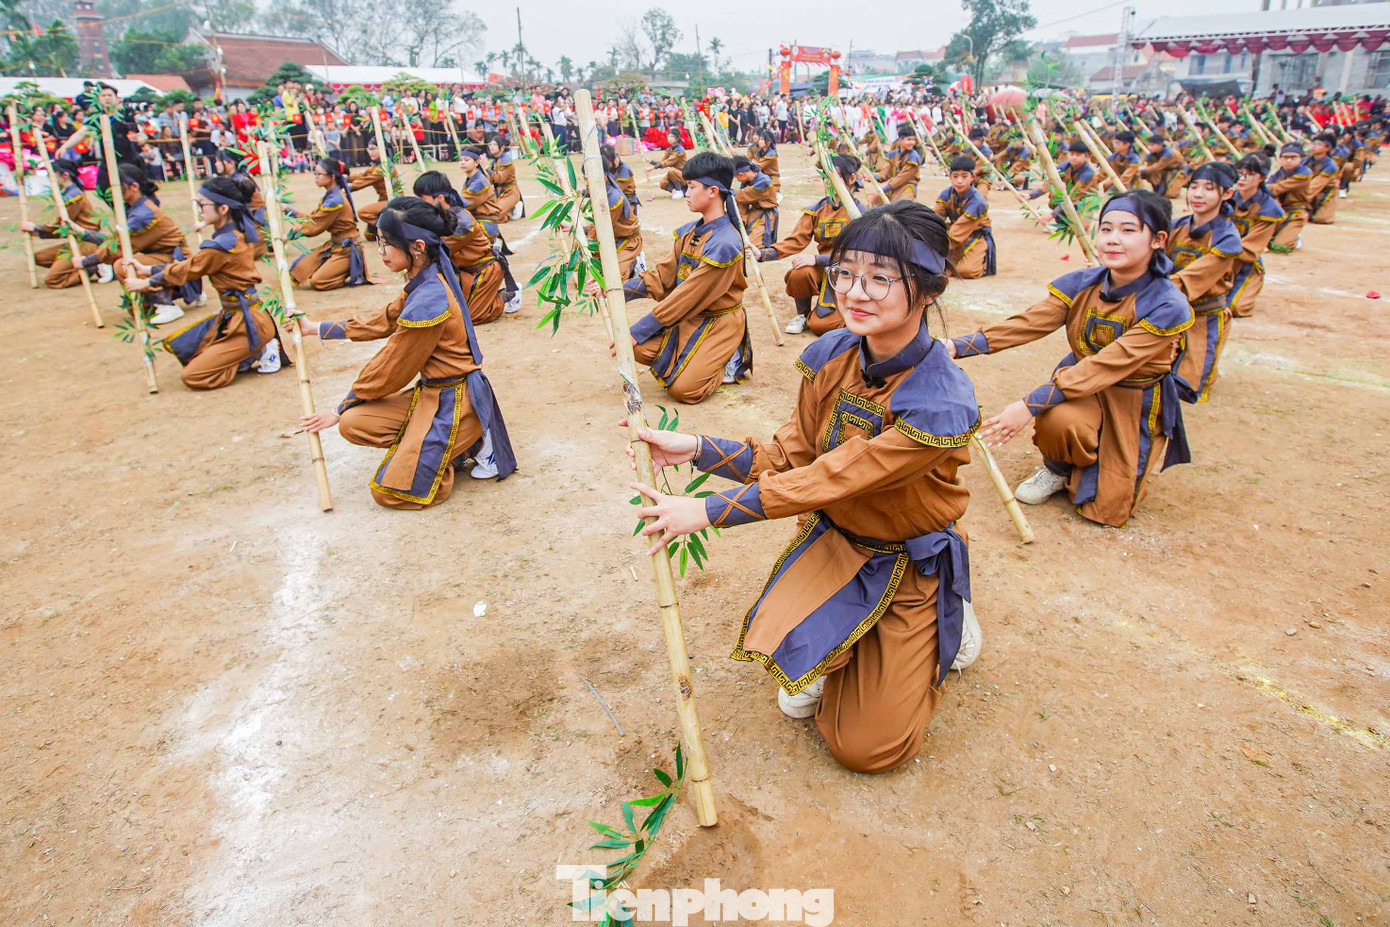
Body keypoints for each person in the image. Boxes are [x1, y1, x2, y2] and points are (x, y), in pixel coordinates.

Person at [625, 200, 982, 773]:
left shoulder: (939, 403)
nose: (854, 292)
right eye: (845, 273)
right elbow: (791, 455)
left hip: (907, 557)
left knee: (866, 750)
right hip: (837, 543)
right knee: (804, 696)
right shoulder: (831, 354)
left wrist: (711, 511)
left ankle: (948, 619)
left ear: (929, 290)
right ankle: (858, 647)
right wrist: (696, 449)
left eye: (880, 278)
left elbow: (834, 477)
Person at [947, 190, 1192, 528]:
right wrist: (957, 346)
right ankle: (1058, 468)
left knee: (1106, 512)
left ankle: (1105, 461)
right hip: (1082, 390)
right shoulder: (1082, 284)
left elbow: (1107, 364)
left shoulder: (1167, 304)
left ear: (1157, 239)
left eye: (1128, 230)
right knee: (1058, 419)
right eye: (1106, 229)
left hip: (1134, 400)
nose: (1113, 240)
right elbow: (1028, 323)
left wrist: (1028, 404)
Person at [293, 196, 517, 508]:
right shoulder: (425, 279)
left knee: (389, 492)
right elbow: (384, 319)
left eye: (387, 243)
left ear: (417, 248)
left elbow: (391, 368)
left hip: (455, 403)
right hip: (431, 395)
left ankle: (472, 442)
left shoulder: (430, 298)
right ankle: (437, 448)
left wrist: (338, 407)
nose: (380, 252)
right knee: (354, 422)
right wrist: (316, 328)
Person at [604, 151, 752, 403]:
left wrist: (640, 329)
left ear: (713, 192)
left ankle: (729, 358)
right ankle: (696, 361)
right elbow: (662, 277)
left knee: (684, 391)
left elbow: (687, 295)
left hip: (718, 322)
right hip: (687, 317)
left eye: (692, 187)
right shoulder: (689, 233)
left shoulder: (725, 243)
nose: (686, 193)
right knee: (635, 348)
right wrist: (615, 290)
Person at [124, 174, 283, 390]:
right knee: (192, 352)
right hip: (238, 316)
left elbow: (190, 268)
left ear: (223, 209)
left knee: (194, 375)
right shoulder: (231, 236)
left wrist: (146, 282)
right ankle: (250, 351)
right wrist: (149, 269)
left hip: (248, 323)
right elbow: (194, 264)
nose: (200, 209)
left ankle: (259, 349)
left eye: (203, 204)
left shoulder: (223, 245)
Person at [76, 164, 202, 325]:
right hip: (164, 257)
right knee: (135, 305)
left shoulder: (143, 215)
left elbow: (120, 248)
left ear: (134, 186)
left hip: (176, 259)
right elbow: (116, 240)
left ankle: (165, 304)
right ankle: (171, 297)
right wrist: (83, 233)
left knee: (122, 265)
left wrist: (86, 262)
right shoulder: (135, 209)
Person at [754, 154, 865, 336]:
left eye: (835, 178)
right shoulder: (817, 210)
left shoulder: (860, 214)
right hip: (824, 268)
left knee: (822, 327)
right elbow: (796, 240)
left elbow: (858, 256)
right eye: (826, 178)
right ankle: (803, 316)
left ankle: (846, 313)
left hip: (849, 273)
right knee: (799, 273)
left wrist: (816, 259)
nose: (829, 183)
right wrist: (763, 253)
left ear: (852, 178)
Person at [1168, 162, 1241, 403]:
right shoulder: (1176, 226)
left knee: (1185, 389)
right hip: (1168, 311)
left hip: (1203, 317)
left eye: (1209, 188)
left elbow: (1191, 279)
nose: (1198, 194)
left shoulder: (1227, 238)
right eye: (1194, 186)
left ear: (1227, 193)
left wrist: (1153, 287)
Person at [413, 171, 511, 324]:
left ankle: (505, 296)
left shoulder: (461, 221)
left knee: (472, 318)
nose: (421, 203)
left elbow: (440, 248)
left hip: (484, 270)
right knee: (454, 312)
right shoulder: (441, 214)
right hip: (464, 271)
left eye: (424, 199)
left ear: (439, 198)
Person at [20, 157, 109, 288]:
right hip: (76, 240)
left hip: (87, 243)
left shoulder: (74, 196)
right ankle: (84, 265)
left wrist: (35, 228)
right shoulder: (67, 194)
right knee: (38, 258)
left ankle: (92, 265)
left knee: (53, 280)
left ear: (65, 175)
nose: (50, 178)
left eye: (52, 174)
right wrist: (37, 232)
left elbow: (62, 225)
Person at [286, 158, 369, 290]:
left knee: (318, 282)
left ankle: (347, 268)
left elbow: (315, 226)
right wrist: (289, 211)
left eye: (319, 174)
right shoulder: (330, 196)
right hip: (335, 245)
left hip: (346, 249)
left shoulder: (335, 200)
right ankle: (333, 266)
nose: (316, 177)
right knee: (299, 269)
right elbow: (314, 218)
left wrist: (291, 234)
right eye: (315, 174)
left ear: (331, 177)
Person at [1228, 152, 1284, 319]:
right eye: (1240, 173)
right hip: (1215, 258)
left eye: (1250, 174)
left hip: (1245, 263)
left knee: (1234, 307)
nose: (1242, 178)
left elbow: (1251, 249)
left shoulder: (1268, 208)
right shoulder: (1227, 199)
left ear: (1261, 177)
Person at [932, 156, 995, 279]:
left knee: (965, 271)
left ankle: (983, 261)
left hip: (974, 235)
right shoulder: (947, 193)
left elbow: (960, 229)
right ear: (950, 177)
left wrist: (936, 246)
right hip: (954, 232)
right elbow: (935, 217)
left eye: (964, 176)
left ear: (972, 177)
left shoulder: (978, 201)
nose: (959, 181)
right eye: (955, 176)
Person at [1268, 142, 1312, 253]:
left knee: (1280, 246)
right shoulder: (1278, 173)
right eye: (1285, 157)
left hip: (1296, 212)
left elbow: (1278, 188)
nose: (1289, 160)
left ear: (1301, 158)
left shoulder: (1304, 173)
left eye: (1293, 157)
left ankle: (1294, 237)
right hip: (1278, 211)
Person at [732, 156, 778, 251]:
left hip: (766, 216)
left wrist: (730, 193)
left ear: (741, 174)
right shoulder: (747, 182)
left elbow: (744, 194)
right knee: (739, 241)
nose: (737, 180)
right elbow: (743, 202)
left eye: (737, 177)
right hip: (754, 213)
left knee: (753, 247)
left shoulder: (763, 182)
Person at [349, 140, 392, 241]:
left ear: (382, 149)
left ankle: (390, 228)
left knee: (363, 212)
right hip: (382, 200)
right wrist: (346, 177)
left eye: (373, 149)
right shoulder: (375, 166)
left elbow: (365, 180)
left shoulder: (384, 167)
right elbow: (362, 175)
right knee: (369, 235)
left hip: (392, 199)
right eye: (369, 149)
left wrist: (348, 188)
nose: (370, 152)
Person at [879, 125, 923, 202]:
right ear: (901, 140)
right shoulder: (893, 154)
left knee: (900, 206)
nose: (912, 142)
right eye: (909, 140)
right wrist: (874, 177)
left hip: (907, 187)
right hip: (893, 187)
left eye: (913, 140)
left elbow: (902, 177)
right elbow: (886, 172)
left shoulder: (913, 157)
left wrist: (884, 190)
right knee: (874, 200)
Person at [1138, 133, 1187, 199]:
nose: (1149, 147)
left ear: (1160, 145)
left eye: (1152, 145)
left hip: (1176, 171)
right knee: (1150, 175)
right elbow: (1150, 165)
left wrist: (1143, 171)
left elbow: (1158, 166)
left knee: (1171, 194)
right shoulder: (1152, 154)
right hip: (1162, 171)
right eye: (1148, 145)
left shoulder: (1169, 153)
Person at [487, 134, 523, 220]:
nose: (491, 147)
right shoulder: (494, 161)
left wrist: (486, 168)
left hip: (509, 191)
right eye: (490, 144)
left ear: (502, 147)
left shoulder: (506, 160)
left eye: (494, 144)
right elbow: (490, 180)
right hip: (498, 192)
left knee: (496, 216)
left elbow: (500, 179)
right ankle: (508, 209)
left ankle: (513, 207)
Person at [652, 129, 688, 197]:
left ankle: (679, 190)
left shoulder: (680, 150)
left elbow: (668, 162)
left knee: (671, 171)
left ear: (677, 138)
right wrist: (650, 161)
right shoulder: (669, 149)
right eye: (668, 136)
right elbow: (663, 162)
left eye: (672, 137)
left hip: (683, 174)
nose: (670, 138)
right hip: (675, 174)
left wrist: (652, 168)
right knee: (663, 183)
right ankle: (676, 189)